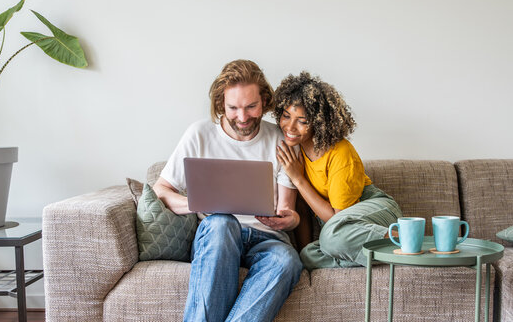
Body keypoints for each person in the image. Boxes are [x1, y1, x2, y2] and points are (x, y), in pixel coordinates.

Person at [153, 59, 304, 322]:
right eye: (233, 108)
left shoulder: (281, 140)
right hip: (218, 236)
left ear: (265, 101)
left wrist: (289, 219)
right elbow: (160, 190)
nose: (242, 117)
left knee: (287, 261)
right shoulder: (199, 134)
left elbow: (287, 211)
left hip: (267, 239)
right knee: (222, 222)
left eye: (251, 106)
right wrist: (196, 203)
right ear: (221, 103)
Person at [273, 71, 403, 269]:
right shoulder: (296, 151)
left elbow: (335, 218)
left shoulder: (340, 153)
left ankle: (407, 239)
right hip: (339, 231)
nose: (290, 126)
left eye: (303, 121)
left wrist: (299, 179)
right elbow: (302, 208)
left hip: (373, 210)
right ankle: (390, 253)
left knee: (332, 236)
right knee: (308, 255)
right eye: (286, 116)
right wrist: (304, 255)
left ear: (319, 123)